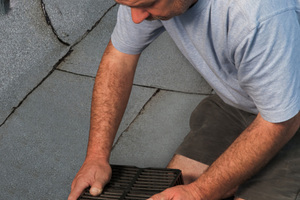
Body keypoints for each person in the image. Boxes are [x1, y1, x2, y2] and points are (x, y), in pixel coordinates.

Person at [68, 0, 300, 199]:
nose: (136, 17)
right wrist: (96, 157)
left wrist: (200, 192)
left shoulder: (257, 15)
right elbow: (119, 59)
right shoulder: (141, 3)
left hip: (290, 115)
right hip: (240, 101)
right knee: (171, 187)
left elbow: (279, 122)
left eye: (147, 5)